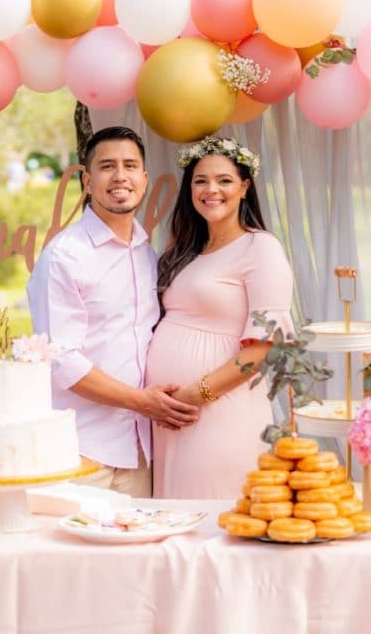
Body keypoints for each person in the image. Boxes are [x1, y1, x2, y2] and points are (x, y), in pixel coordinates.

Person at [27, 126, 199, 499]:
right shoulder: (65, 257)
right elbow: (62, 363)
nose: (120, 176)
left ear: (144, 178)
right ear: (88, 181)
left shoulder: (145, 251)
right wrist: (141, 402)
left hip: (141, 450)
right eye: (107, 166)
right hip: (83, 450)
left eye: (130, 166)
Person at [146, 136, 295, 499]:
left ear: (244, 187)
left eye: (224, 180)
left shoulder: (260, 247)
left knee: (213, 520)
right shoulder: (186, 251)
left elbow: (263, 349)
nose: (211, 190)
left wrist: (194, 395)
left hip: (219, 411)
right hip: (173, 415)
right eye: (201, 181)